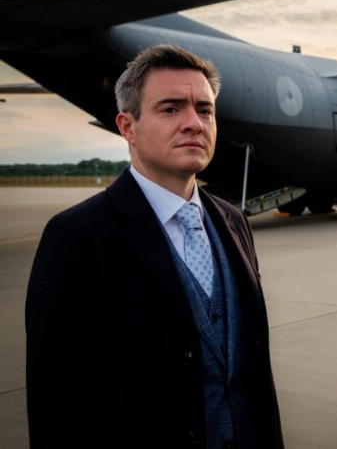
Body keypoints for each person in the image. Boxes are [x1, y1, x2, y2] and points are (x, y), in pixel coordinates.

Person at [26, 45, 283, 449]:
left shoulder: (234, 222)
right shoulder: (75, 237)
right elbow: (58, 403)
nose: (194, 123)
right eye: (170, 109)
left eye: (205, 110)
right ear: (127, 127)